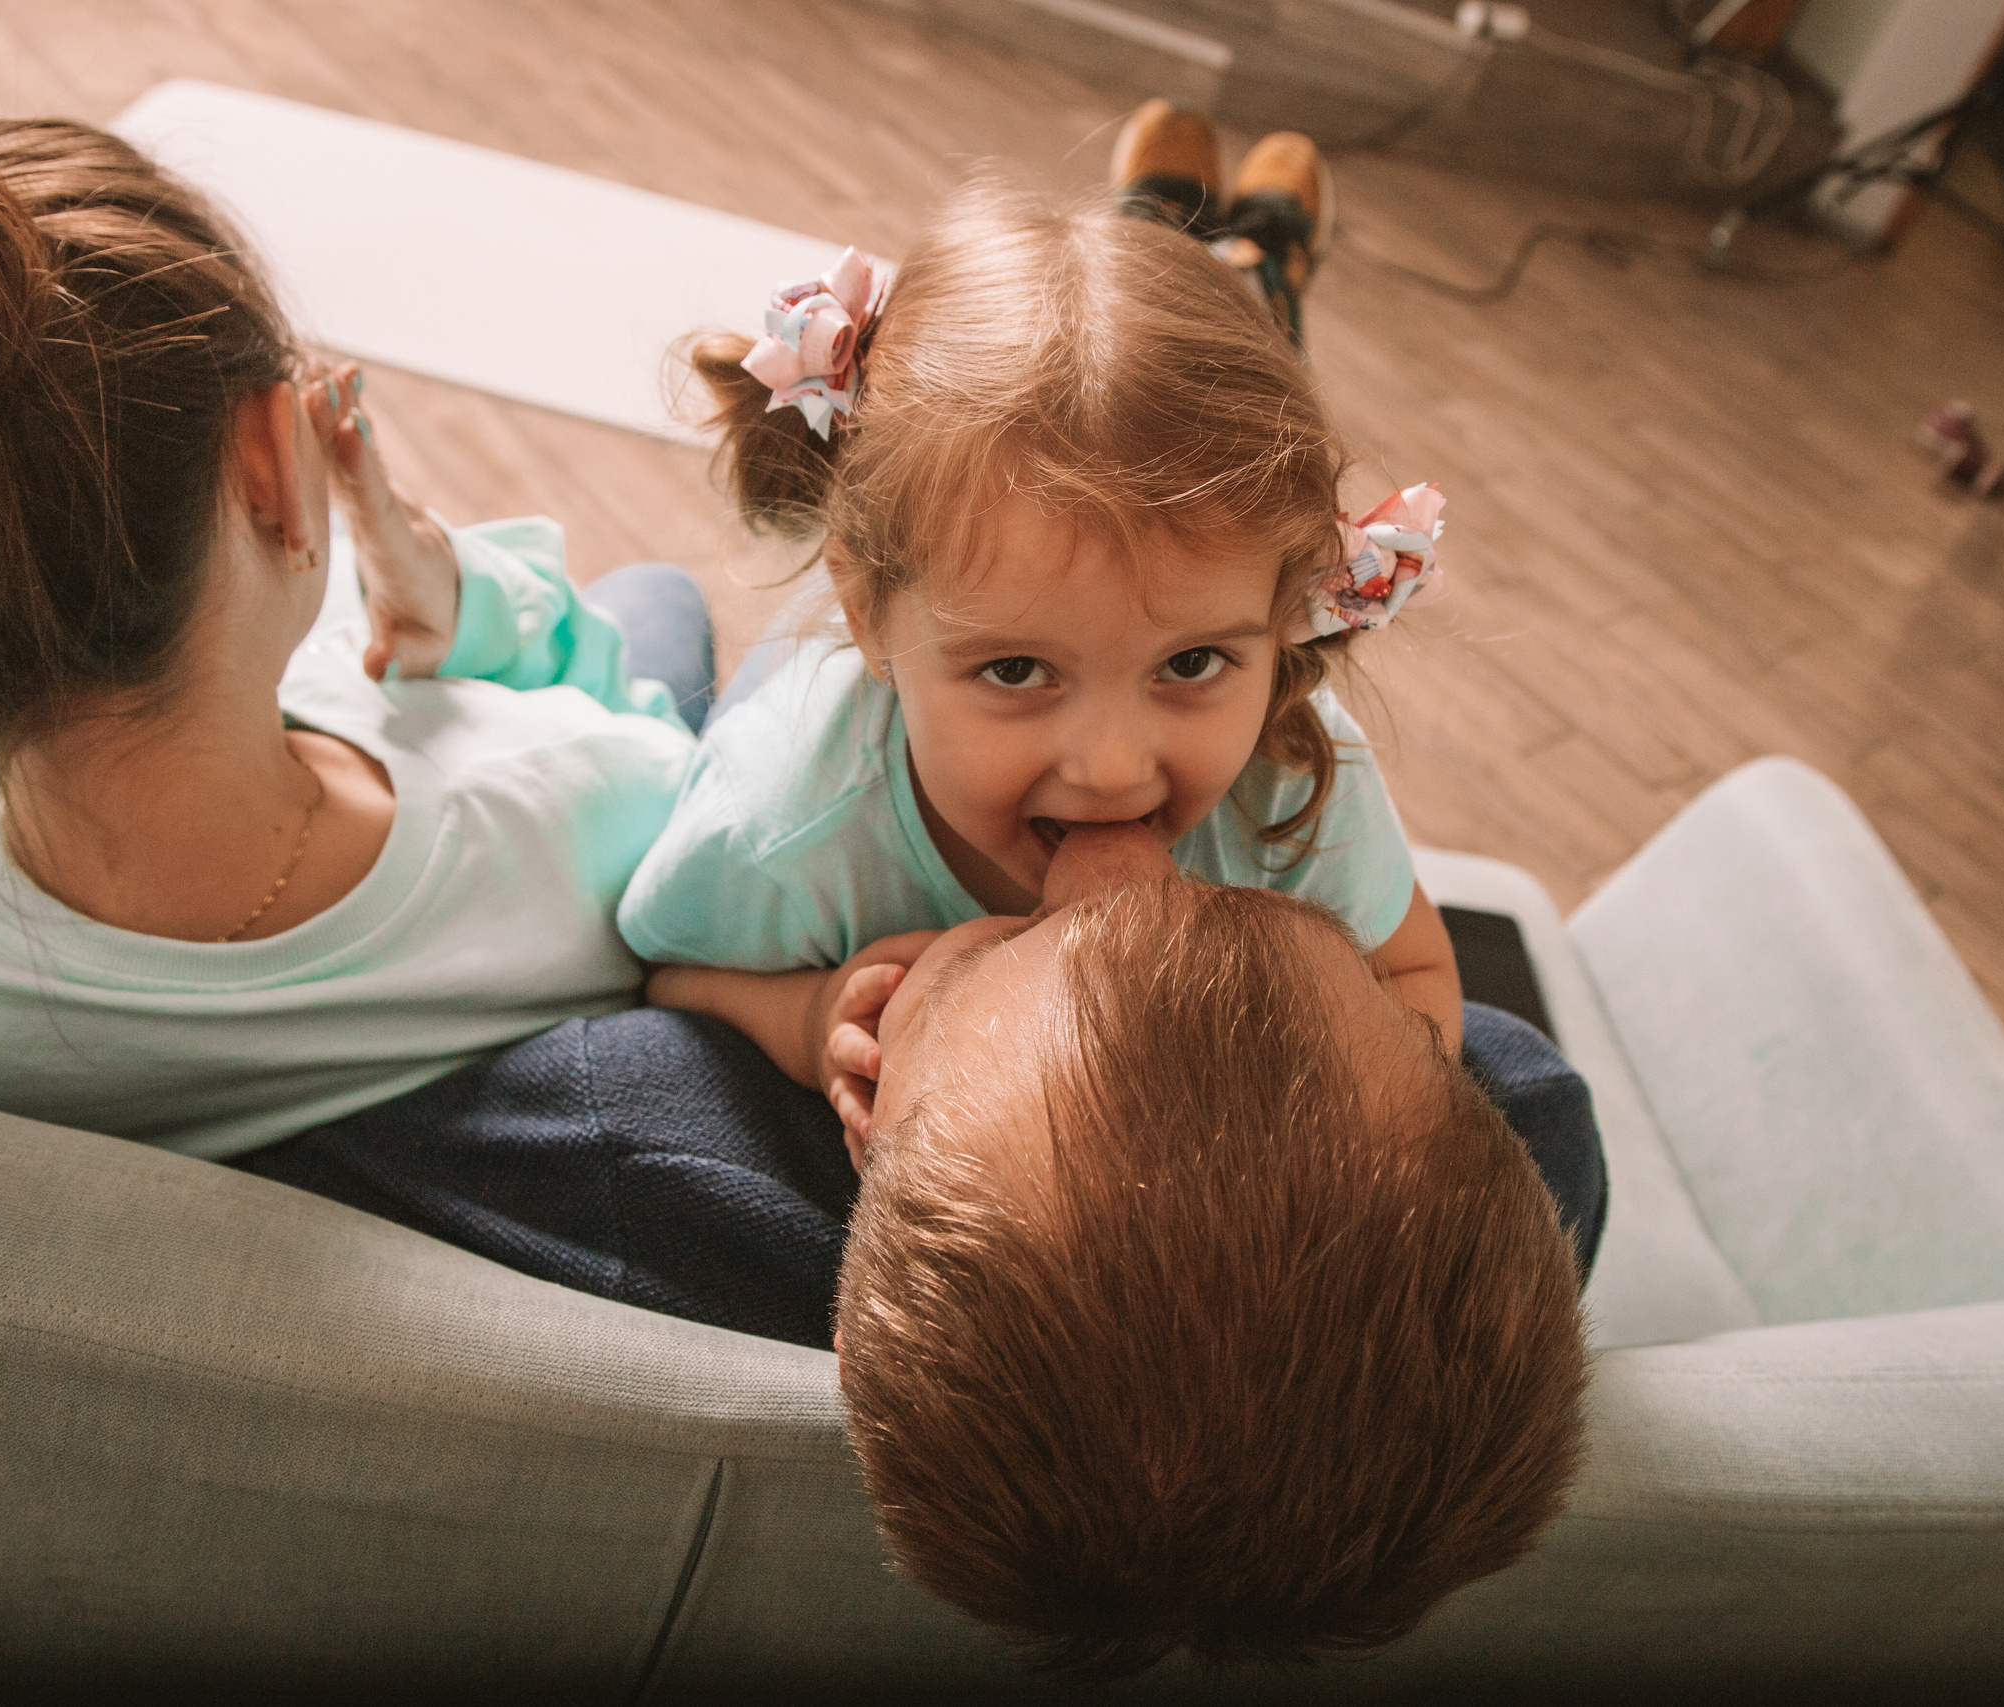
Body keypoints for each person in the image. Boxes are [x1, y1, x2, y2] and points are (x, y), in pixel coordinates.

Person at [613, 115, 1595, 1671]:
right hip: (835, 698)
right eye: (1014, 671)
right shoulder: (791, 811)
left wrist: (1319, 1126)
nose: (1117, 761)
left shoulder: (1287, 783)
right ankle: (1224, 252)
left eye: (1195, 662)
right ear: (870, 612)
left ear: (1286, 629)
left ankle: (1215, 250)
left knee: (1179, 387)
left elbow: (1416, 981)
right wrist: (805, 1017)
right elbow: (668, 971)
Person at [0, 107, 729, 1160]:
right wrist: (471, 609)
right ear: (269, 469)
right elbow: (698, 827)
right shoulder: (596, 814)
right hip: (453, 779)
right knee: (655, 604)